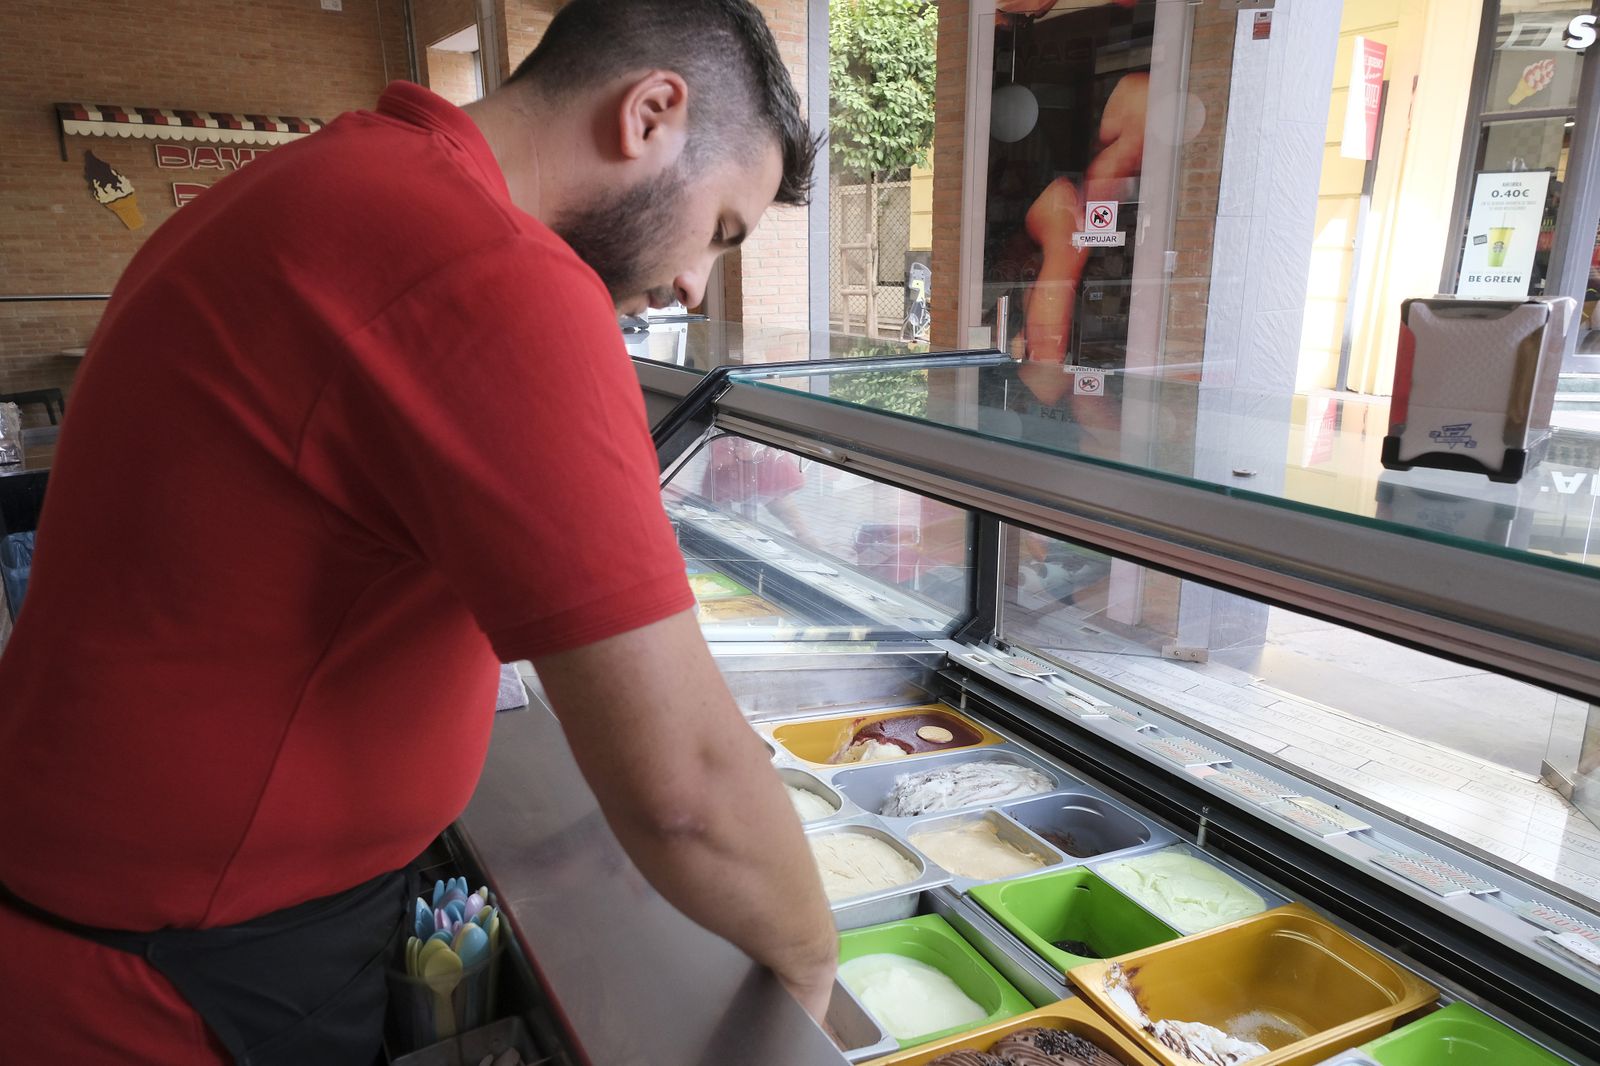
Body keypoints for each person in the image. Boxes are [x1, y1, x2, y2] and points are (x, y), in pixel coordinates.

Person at [0, 1, 838, 1062]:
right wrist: (812, 961)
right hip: (169, 980)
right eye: (720, 231)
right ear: (651, 113)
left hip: (120, 917)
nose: (691, 284)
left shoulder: (323, 182)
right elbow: (689, 791)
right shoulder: (491, 269)